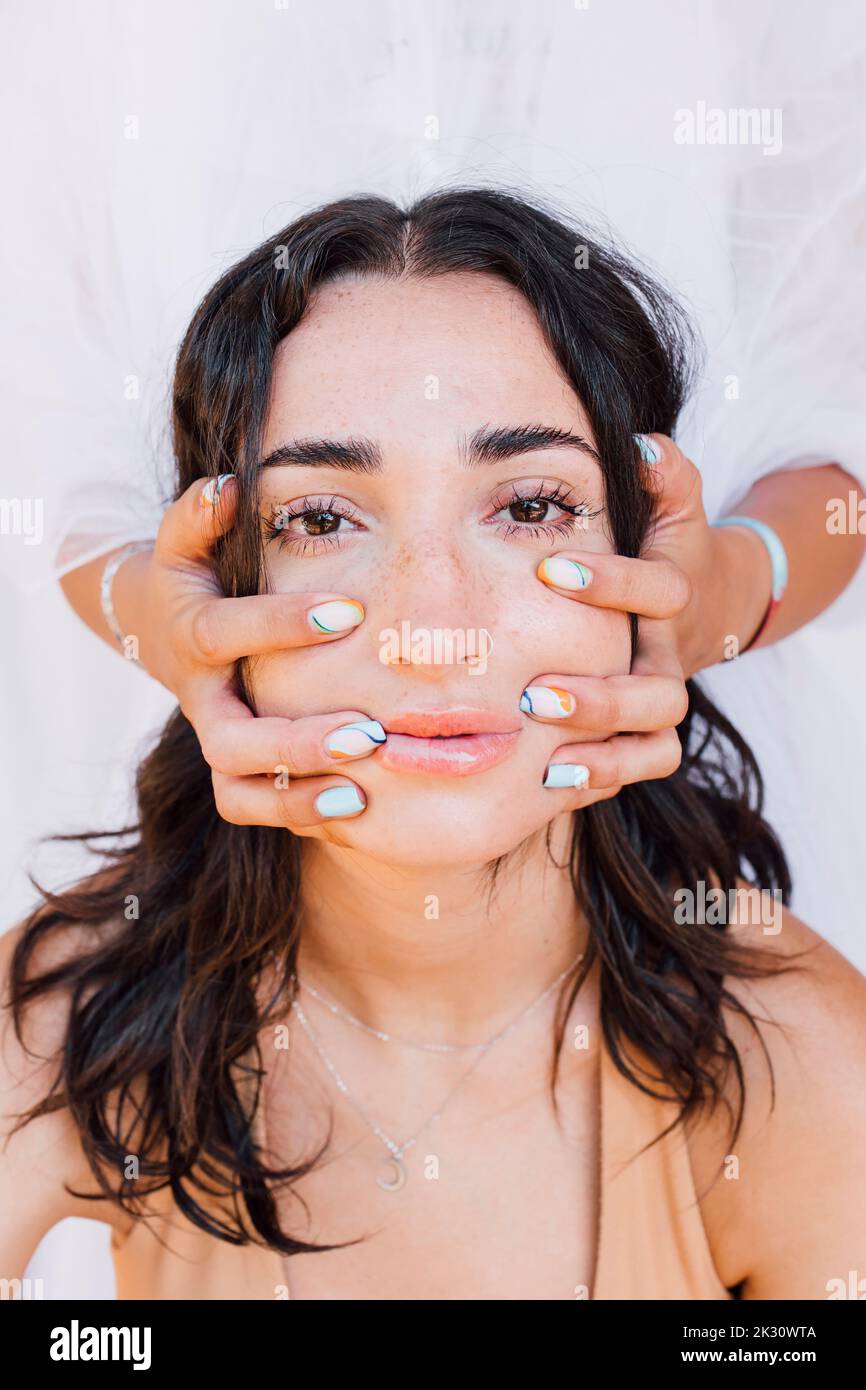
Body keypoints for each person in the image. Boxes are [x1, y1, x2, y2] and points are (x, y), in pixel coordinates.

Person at [3, 190, 865, 1300]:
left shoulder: (800, 1066)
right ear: (216, 600)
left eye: (530, 506)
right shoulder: (64, 1028)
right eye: (319, 519)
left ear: (653, 572)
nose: (432, 627)